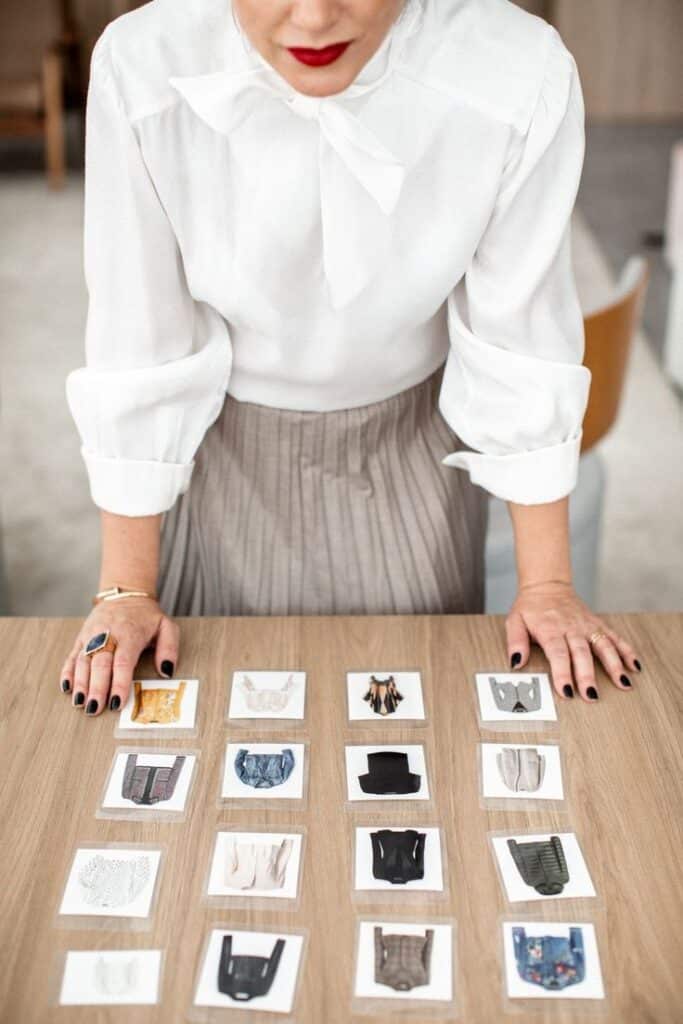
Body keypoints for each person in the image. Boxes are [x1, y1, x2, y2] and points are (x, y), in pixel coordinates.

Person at [59, 0, 642, 717]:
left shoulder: (519, 70)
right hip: (219, 445)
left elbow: (518, 338)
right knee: (219, 722)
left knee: (413, 716)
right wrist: (125, 592)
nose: (311, 18)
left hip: (413, 444)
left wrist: (548, 586)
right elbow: (138, 336)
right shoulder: (140, 61)